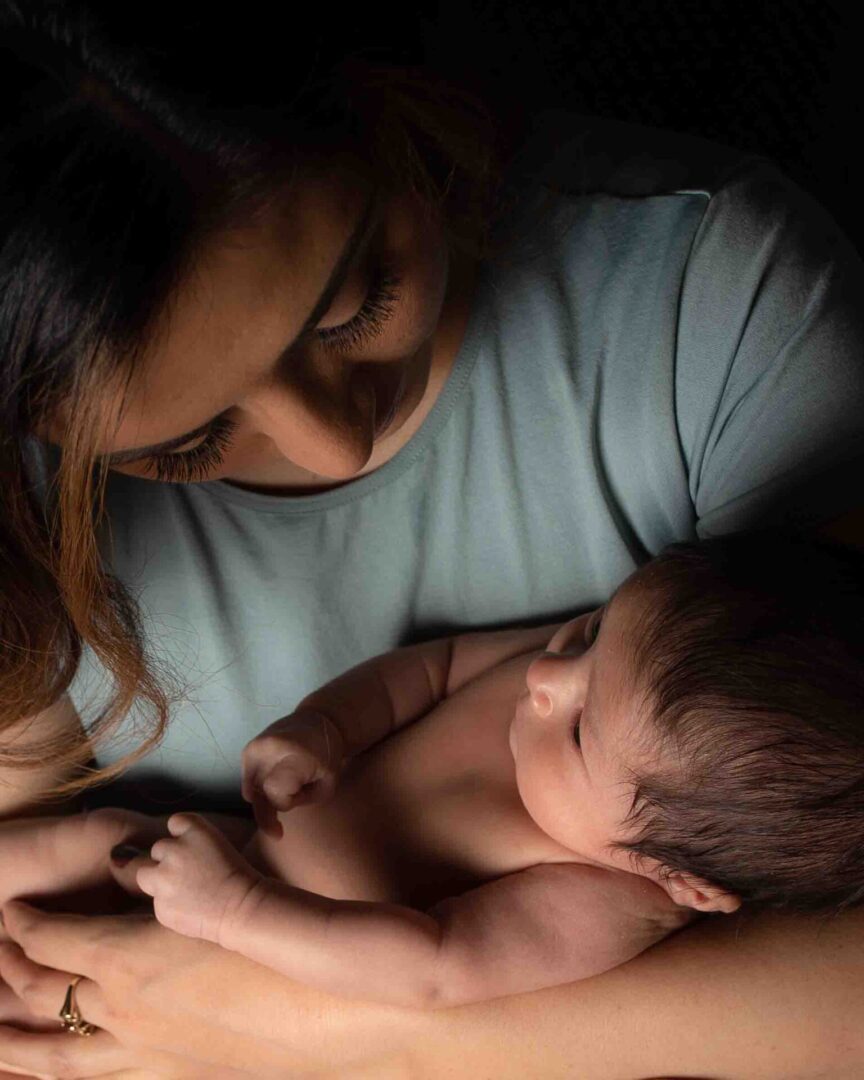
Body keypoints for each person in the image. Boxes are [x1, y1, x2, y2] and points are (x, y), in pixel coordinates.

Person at [1, 1, 864, 1076]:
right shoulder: (22, 502)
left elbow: (442, 967)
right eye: (188, 439)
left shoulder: (724, 314)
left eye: (355, 306)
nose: (332, 444)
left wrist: (267, 1015)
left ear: (384, 101)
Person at [119, 531, 864, 1010]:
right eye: (593, 632)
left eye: (578, 732)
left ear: (680, 877)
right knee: (60, 853)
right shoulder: (608, 674)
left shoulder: (607, 895)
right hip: (220, 851)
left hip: (263, 972)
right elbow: (433, 670)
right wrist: (325, 727)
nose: (546, 676)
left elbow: (435, 966)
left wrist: (236, 913)